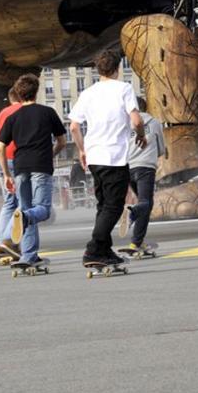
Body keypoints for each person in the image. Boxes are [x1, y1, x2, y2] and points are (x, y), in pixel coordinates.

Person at [69, 50, 144, 267]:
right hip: (114, 156)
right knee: (113, 206)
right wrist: (141, 136)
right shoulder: (124, 88)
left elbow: (74, 126)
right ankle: (93, 250)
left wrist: (82, 150)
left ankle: (104, 250)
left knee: (103, 206)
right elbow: (137, 121)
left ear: (98, 69)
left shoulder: (88, 93)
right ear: (118, 68)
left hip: (94, 156)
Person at [0, 74, 66, 269]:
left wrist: (6, 175)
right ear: (37, 91)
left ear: (19, 93)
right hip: (40, 166)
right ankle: (24, 221)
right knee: (42, 210)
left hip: (19, 168)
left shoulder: (12, 117)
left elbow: (0, 148)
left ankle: (29, 255)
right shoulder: (47, 112)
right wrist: (50, 154)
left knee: (26, 210)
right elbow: (62, 142)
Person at [122, 95, 166, 255]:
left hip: (128, 168)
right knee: (145, 203)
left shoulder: (125, 124)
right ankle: (133, 212)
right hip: (146, 167)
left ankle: (136, 244)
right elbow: (161, 149)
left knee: (145, 204)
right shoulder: (154, 123)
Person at [0, 89, 24, 262]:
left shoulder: (3, 112)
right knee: (23, 203)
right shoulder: (23, 111)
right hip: (18, 158)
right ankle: (8, 241)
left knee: (9, 202)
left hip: (1, 159)